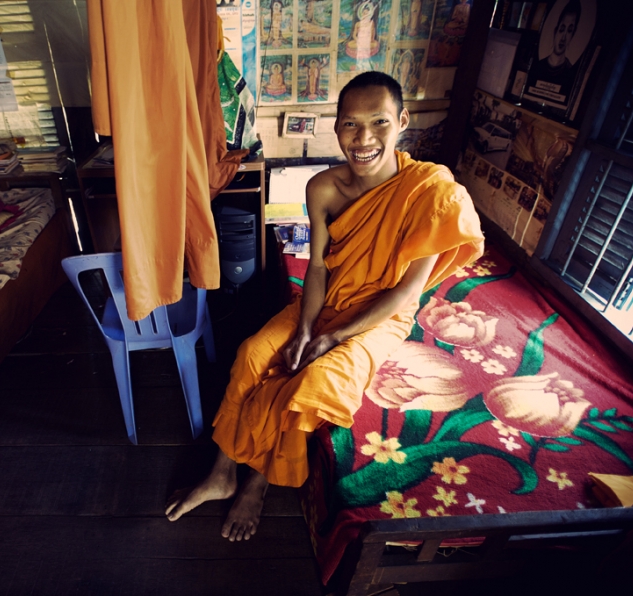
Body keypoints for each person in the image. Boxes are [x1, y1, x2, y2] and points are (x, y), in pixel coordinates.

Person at [165, 71, 484, 542]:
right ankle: (221, 471)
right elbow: (315, 268)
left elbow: (406, 294)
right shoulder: (323, 188)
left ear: (402, 122)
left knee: (314, 381)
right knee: (255, 354)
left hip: (380, 317)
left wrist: (332, 338)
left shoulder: (432, 192)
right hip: (326, 300)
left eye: (378, 122)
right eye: (350, 124)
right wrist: (306, 328)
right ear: (336, 127)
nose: (363, 138)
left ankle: (256, 483)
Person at [527, 0, 581, 104]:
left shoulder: (570, 71)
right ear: (555, 31)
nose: (563, 37)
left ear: (573, 35)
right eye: (562, 29)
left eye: (569, 31)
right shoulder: (538, 65)